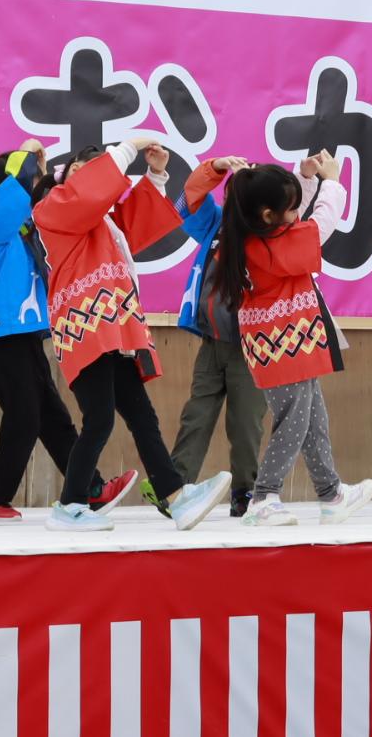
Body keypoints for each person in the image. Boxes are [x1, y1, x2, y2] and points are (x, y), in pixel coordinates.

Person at [32, 138, 233, 531]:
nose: (88, 180)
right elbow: (88, 195)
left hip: (114, 329)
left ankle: (176, 498)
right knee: (100, 419)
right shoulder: (52, 209)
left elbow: (139, 221)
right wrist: (129, 146)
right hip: (86, 328)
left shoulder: (104, 222)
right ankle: (69, 505)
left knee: (142, 416)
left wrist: (156, 173)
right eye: (80, 172)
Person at [0, 139, 136, 522]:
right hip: (3, 337)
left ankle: (91, 488)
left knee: (53, 417)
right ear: (5, 186)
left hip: (28, 334)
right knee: (24, 416)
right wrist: (27, 154)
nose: (35, 184)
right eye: (28, 179)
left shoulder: (24, 226)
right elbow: (17, 200)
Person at [214, 152, 372, 528]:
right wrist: (331, 182)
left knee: (313, 418)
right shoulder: (275, 243)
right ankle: (264, 496)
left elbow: (292, 216)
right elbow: (320, 223)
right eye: (289, 209)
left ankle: (331, 492)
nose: (295, 214)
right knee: (294, 422)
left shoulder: (250, 234)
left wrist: (304, 180)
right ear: (268, 215)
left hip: (279, 342)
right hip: (286, 341)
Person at [161, 154, 267, 520]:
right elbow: (189, 199)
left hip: (251, 346)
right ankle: (176, 488)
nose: (234, 195)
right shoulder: (216, 224)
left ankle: (245, 491)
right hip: (211, 341)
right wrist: (216, 167)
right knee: (197, 414)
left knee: (246, 422)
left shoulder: (267, 234)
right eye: (232, 188)